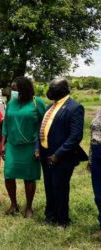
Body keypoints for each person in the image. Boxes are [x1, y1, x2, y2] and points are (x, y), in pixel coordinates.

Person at [39, 77, 88, 228]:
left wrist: (58, 154)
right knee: (49, 187)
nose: (49, 91)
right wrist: (37, 147)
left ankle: (62, 220)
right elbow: (41, 128)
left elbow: (75, 136)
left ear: (62, 90)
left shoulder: (75, 107)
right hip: (45, 154)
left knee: (60, 188)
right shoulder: (49, 107)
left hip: (62, 157)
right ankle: (50, 216)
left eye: (52, 89)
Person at [2, 77, 46, 218]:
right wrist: (3, 144)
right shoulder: (11, 103)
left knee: (29, 177)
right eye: (12, 89)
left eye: (15, 89)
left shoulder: (36, 102)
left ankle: (29, 207)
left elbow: (44, 125)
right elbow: (6, 124)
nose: (13, 92)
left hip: (30, 147)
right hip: (12, 146)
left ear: (24, 89)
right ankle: (14, 204)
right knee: (9, 175)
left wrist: (39, 147)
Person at [88, 108, 101, 233]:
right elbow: (93, 136)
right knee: (98, 194)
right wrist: (91, 158)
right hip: (97, 153)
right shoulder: (99, 110)